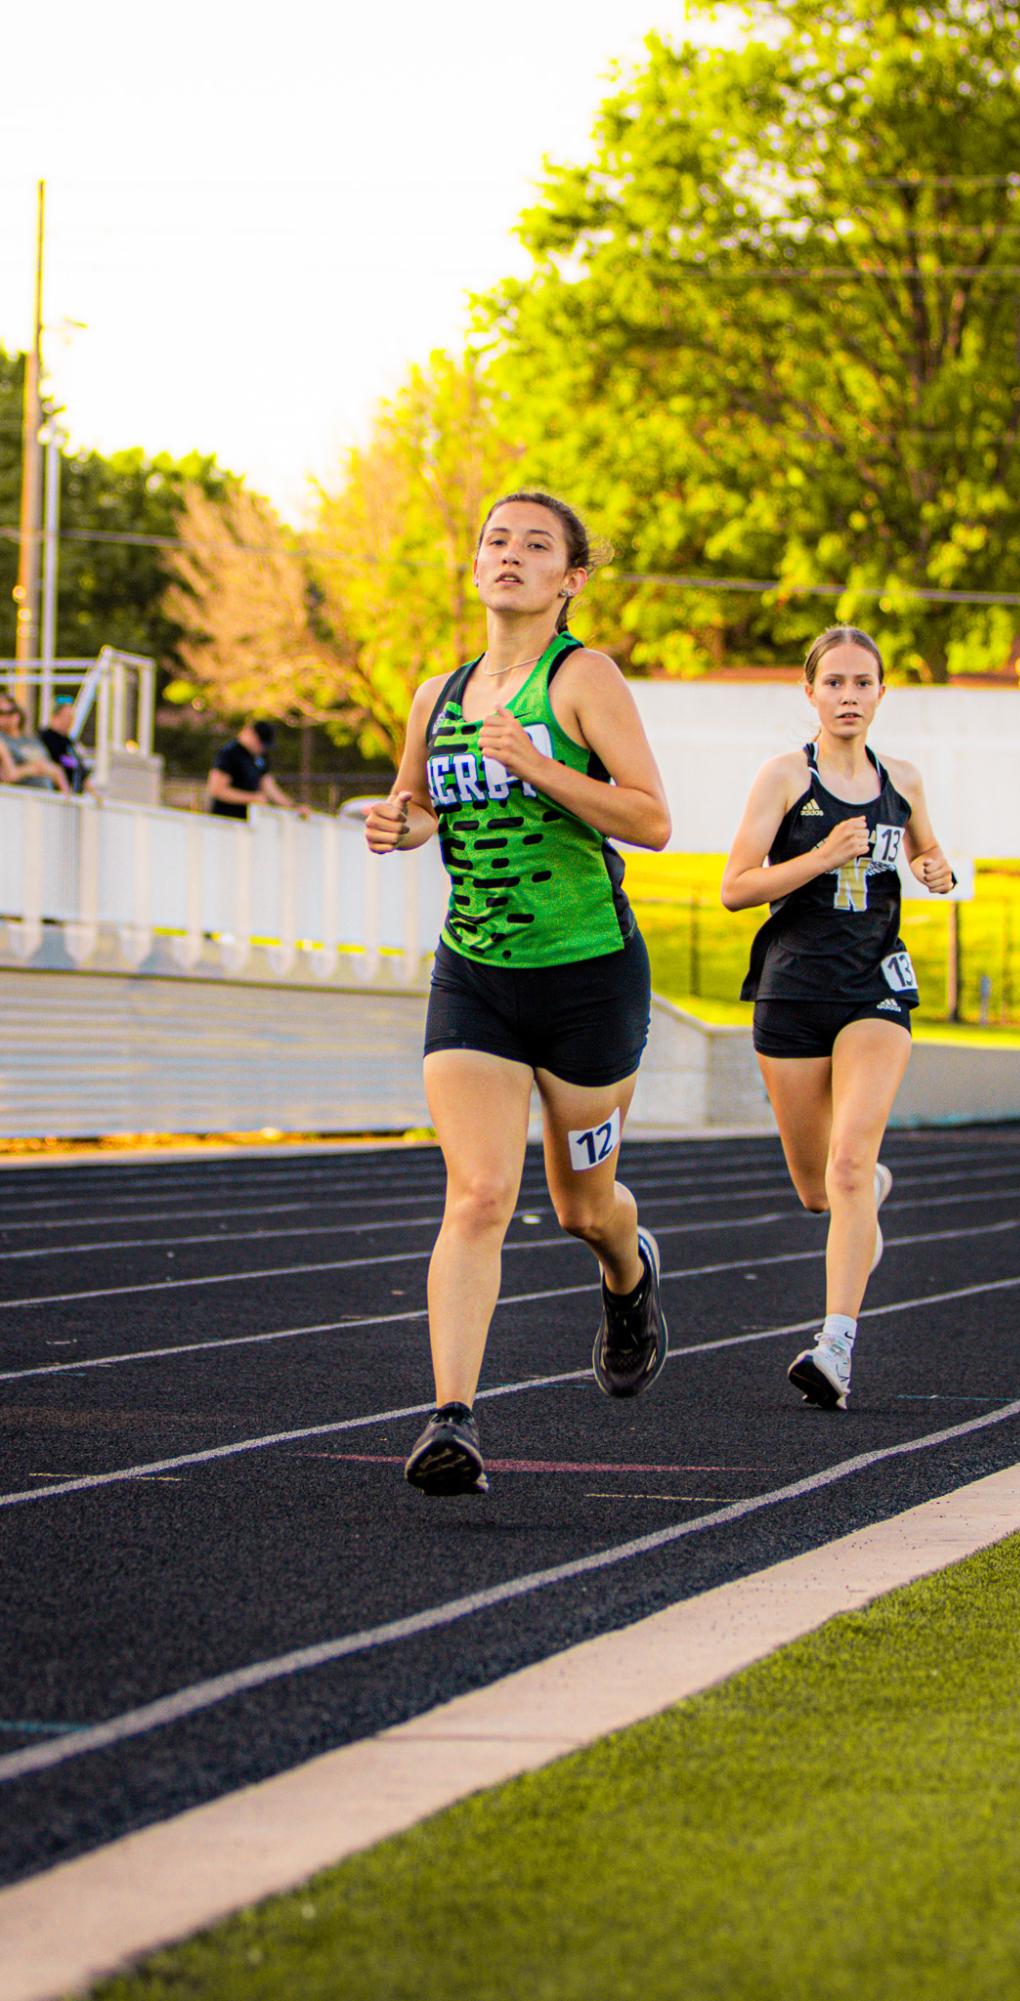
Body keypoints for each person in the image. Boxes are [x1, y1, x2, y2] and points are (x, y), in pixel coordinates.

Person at [364, 490, 672, 1496]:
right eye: (496, 539)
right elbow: (417, 811)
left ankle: (627, 1278)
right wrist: (394, 825)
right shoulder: (436, 694)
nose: (509, 555)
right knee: (479, 1194)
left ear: (568, 579)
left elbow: (651, 820)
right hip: (477, 977)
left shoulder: (581, 679)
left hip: (586, 980)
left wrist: (538, 765)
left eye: (535, 545)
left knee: (582, 1206)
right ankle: (451, 1418)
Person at [721, 626, 955, 1412]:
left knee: (849, 1164)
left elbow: (927, 854)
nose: (849, 697)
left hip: (874, 991)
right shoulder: (786, 777)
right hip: (791, 992)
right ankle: (864, 1191)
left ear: (883, 693)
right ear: (810, 692)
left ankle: (835, 1348)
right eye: (836, 684)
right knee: (820, 1190)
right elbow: (735, 886)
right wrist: (820, 855)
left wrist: (937, 867)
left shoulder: (906, 778)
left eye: (864, 683)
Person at [207, 719, 307, 818]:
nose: (263, 749)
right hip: (226, 820)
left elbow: (270, 787)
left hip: (248, 821)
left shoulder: (260, 757)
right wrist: (252, 798)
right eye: (261, 744)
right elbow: (216, 790)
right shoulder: (230, 753)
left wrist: (293, 807)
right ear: (251, 735)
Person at [0, 694, 70, 793]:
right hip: (19, 799)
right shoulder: (2, 740)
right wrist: (34, 768)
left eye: (11, 712)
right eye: (1, 713)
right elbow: (9, 775)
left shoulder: (33, 741)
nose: (6, 717)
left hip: (46, 798)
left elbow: (55, 771)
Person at [39, 700, 94, 795]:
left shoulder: (70, 743)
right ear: (55, 717)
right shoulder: (45, 738)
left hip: (74, 793)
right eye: (67, 717)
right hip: (55, 793)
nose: (70, 721)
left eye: (72, 718)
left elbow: (82, 771)